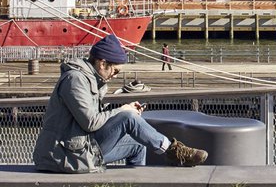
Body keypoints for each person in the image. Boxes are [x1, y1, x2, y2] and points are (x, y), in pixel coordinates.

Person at [33, 34, 207, 172]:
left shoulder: (89, 79)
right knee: (127, 117)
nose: (115, 75)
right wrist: (123, 110)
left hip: (78, 150)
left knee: (138, 145)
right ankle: (173, 151)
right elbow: (91, 122)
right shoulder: (75, 79)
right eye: (115, 70)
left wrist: (121, 109)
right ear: (102, 63)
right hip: (62, 157)